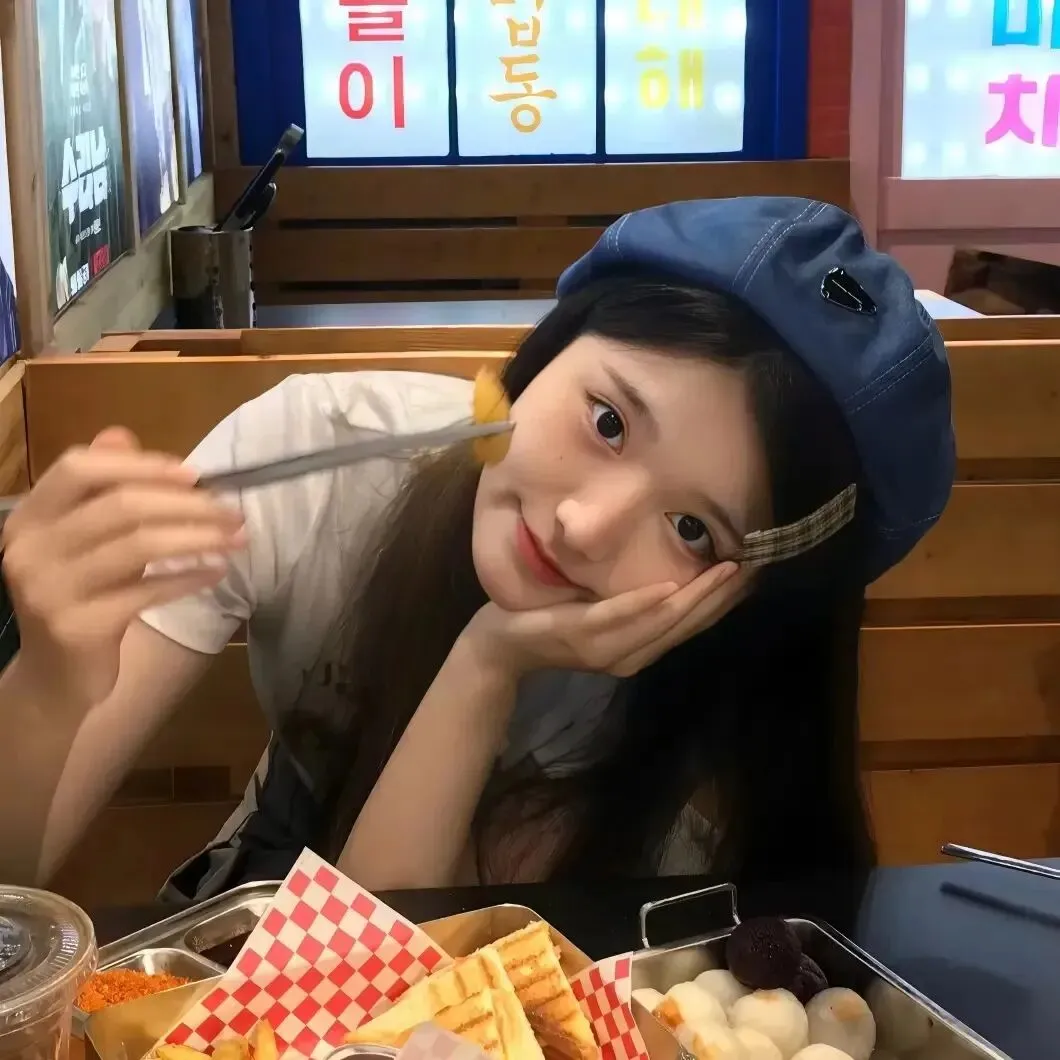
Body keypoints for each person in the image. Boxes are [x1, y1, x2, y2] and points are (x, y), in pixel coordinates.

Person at [0, 197, 954, 896]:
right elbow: (11, 879)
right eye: (609, 421)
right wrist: (45, 683)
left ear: (749, 587)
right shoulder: (318, 457)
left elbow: (405, 987)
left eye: (693, 528)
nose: (584, 527)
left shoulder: (703, 664)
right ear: (544, 353)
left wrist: (487, 663)